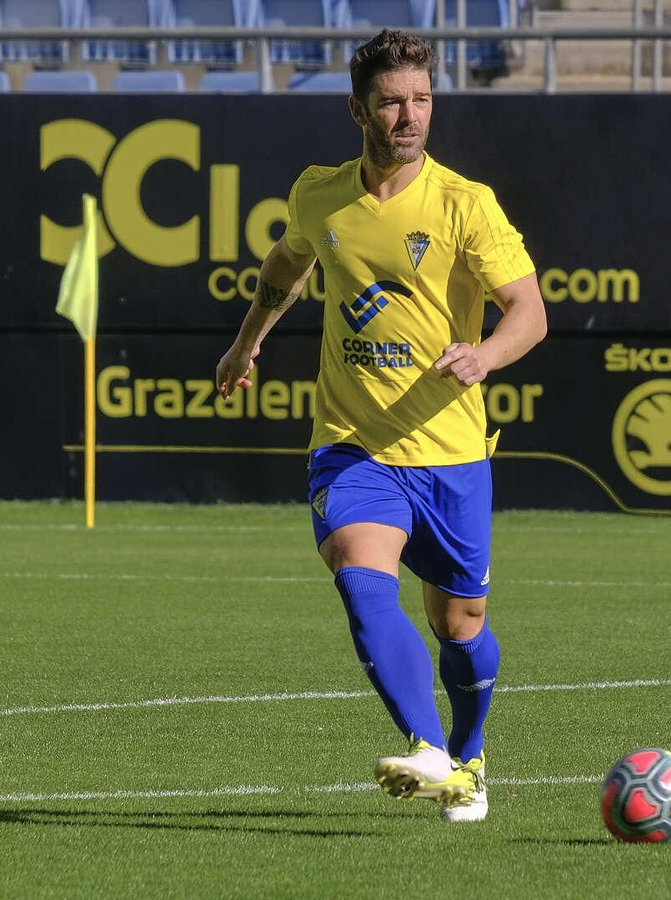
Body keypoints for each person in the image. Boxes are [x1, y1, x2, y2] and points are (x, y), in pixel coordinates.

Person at [214, 29, 547, 823]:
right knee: (361, 578)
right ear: (357, 108)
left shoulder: (467, 204)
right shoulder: (319, 194)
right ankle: (428, 747)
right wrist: (244, 344)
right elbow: (286, 268)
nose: (410, 116)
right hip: (352, 442)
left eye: (422, 99)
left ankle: (467, 758)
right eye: (393, 101)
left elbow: (529, 312)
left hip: (451, 451)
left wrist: (486, 354)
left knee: (459, 625)